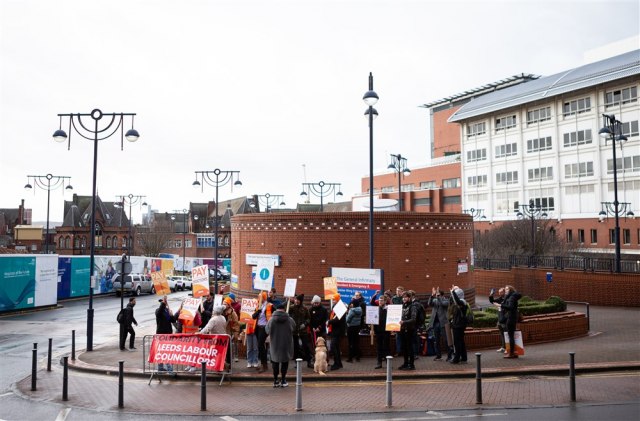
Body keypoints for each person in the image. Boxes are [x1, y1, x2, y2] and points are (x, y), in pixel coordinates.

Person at [266, 303, 296, 388]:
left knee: (275, 363)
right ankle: (283, 380)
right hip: (286, 344)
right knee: (285, 362)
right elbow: (294, 327)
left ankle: (275, 380)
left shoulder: (271, 320)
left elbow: (266, 330)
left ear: (276, 310)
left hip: (275, 344)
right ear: (284, 309)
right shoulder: (289, 319)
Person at [288, 294, 313, 368]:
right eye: (296, 299)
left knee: (306, 346)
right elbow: (287, 314)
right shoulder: (291, 308)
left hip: (303, 331)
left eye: (298, 300)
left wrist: (305, 324)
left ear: (301, 301)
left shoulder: (305, 308)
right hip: (294, 331)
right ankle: (296, 362)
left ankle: (309, 361)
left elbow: (308, 318)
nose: (296, 301)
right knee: (296, 347)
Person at [427, 286, 451, 361]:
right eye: (437, 295)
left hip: (443, 323)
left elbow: (444, 304)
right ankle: (438, 355)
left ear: (442, 295)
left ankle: (449, 355)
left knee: (446, 340)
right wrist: (432, 295)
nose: (437, 296)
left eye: (439, 294)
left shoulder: (446, 300)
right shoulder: (435, 300)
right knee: (436, 340)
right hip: (435, 323)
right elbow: (429, 303)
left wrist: (438, 297)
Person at [252, 291, 274, 373]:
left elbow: (274, 314)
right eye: (258, 297)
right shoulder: (259, 305)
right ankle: (264, 364)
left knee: (261, 345)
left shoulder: (270, 306)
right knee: (260, 346)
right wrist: (258, 311)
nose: (258, 299)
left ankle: (264, 364)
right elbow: (253, 317)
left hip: (264, 328)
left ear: (264, 298)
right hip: (258, 328)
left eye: (260, 297)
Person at [155, 296, 175, 373]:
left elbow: (173, 320)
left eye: (163, 302)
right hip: (161, 334)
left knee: (166, 351)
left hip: (168, 334)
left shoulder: (167, 311)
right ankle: (167, 369)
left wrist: (172, 314)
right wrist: (163, 302)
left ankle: (163, 368)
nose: (163, 303)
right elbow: (159, 311)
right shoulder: (158, 311)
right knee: (163, 352)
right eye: (161, 302)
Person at [448, 285, 468, 364]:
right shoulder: (457, 302)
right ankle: (463, 357)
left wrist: (453, 292)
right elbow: (451, 302)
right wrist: (452, 293)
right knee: (461, 341)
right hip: (457, 324)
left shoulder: (462, 301)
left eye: (456, 291)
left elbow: (457, 301)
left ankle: (456, 358)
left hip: (459, 325)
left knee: (457, 342)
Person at [501, 285, 522, 359]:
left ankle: (511, 353)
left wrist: (501, 305)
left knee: (511, 336)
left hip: (511, 318)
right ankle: (513, 352)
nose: (505, 290)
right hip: (512, 317)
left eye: (507, 289)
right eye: (505, 289)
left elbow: (510, 307)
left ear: (510, 290)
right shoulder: (511, 296)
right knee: (511, 336)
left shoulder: (511, 297)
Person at [398, 291, 417, 370]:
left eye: (405, 297)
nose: (404, 299)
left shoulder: (413, 307)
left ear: (409, 298)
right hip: (402, 329)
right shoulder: (402, 306)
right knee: (404, 348)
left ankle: (411, 365)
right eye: (403, 297)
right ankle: (405, 363)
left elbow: (413, 319)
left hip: (409, 330)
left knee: (409, 347)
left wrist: (404, 322)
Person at [327, 293, 346, 371]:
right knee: (336, 347)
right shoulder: (335, 306)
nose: (333, 300)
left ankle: (336, 364)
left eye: (334, 299)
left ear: (338, 299)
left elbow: (338, 319)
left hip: (338, 331)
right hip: (334, 330)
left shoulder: (341, 307)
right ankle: (339, 363)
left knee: (333, 347)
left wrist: (329, 322)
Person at [372, 293, 389, 369]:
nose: (380, 302)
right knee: (379, 347)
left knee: (386, 348)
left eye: (381, 300)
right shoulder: (376, 309)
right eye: (379, 300)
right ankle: (379, 363)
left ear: (385, 301)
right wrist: (372, 330)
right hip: (378, 331)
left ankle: (388, 363)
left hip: (386, 331)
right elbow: (372, 320)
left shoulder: (388, 309)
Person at [345, 294, 363, 362]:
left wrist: (347, 314)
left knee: (350, 343)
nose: (351, 304)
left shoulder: (352, 310)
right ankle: (357, 357)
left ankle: (350, 358)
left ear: (354, 304)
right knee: (356, 342)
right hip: (357, 327)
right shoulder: (360, 309)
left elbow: (347, 320)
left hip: (351, 327)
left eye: (352, 303)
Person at [489, 287, 507, 353]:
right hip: (500, 319)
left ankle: (507, 348)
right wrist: (491, 295)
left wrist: (499, 305)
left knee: (506, 334)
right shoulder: (500, 299)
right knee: (502, 335)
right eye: (499, 292)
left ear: (504, 292)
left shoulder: (507, 299)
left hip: (504, 320)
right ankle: (503, 347)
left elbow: (506, 307)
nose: (499, 293)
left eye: (501, 292)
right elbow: (492, 301)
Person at [223, 298, 240, 362]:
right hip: (224, 330)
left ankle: (235, 357)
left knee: (233, 343)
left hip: (230, 330)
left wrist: (235, 332)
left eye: (225, 304)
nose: (223, 305)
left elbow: (236, 322)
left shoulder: (232, 312)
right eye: (223, 303)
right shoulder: (221, 311)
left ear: (228, 305)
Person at [392, 286, 405, 356]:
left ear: (402, 291)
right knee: (398, 336)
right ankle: (398, 351)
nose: (398, 292)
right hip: (396, 318)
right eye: (397, 291)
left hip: (404, 319)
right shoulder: (394, 298)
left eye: (399, 291)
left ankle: (404, 351)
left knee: (404, 336)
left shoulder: (404, 298)